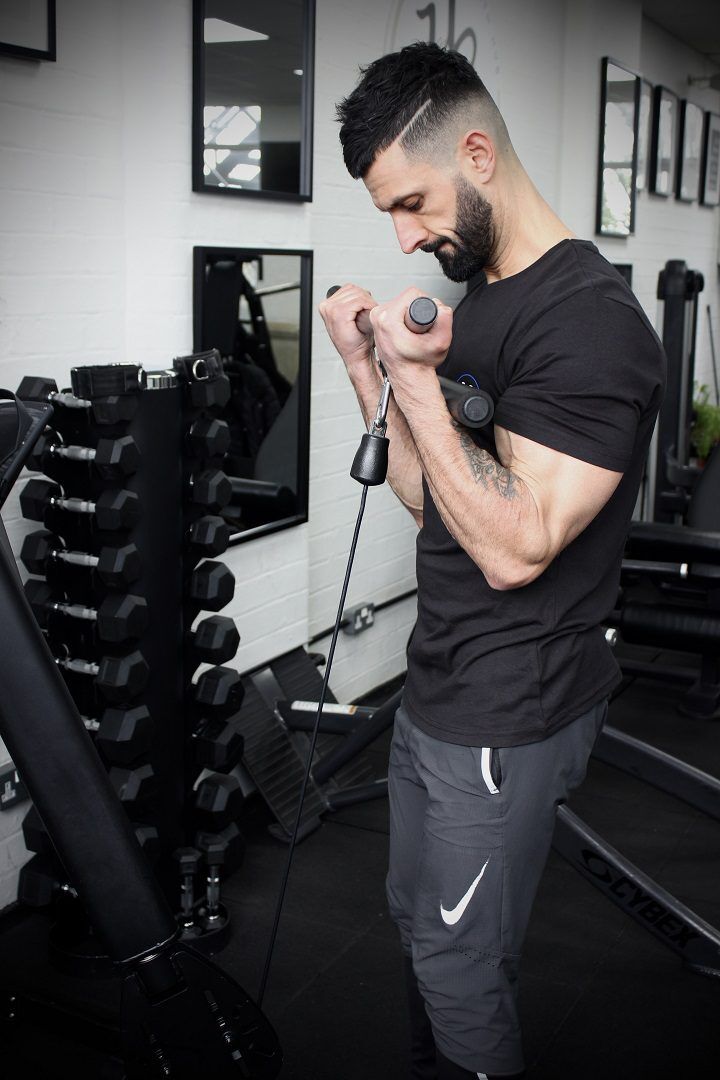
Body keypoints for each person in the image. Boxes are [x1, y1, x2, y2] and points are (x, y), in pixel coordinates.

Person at [318, 43, 666, 1080]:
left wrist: (418, 384)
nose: (406, 235)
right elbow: (432, 497)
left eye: (413, 202)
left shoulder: (593, 324)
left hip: (514, 706)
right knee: (418, 929)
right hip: (440, 685)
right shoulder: (484, 302)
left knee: (462, 965)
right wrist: (364, 368)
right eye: (388, 213)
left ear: (477, 151)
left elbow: (517, 549)